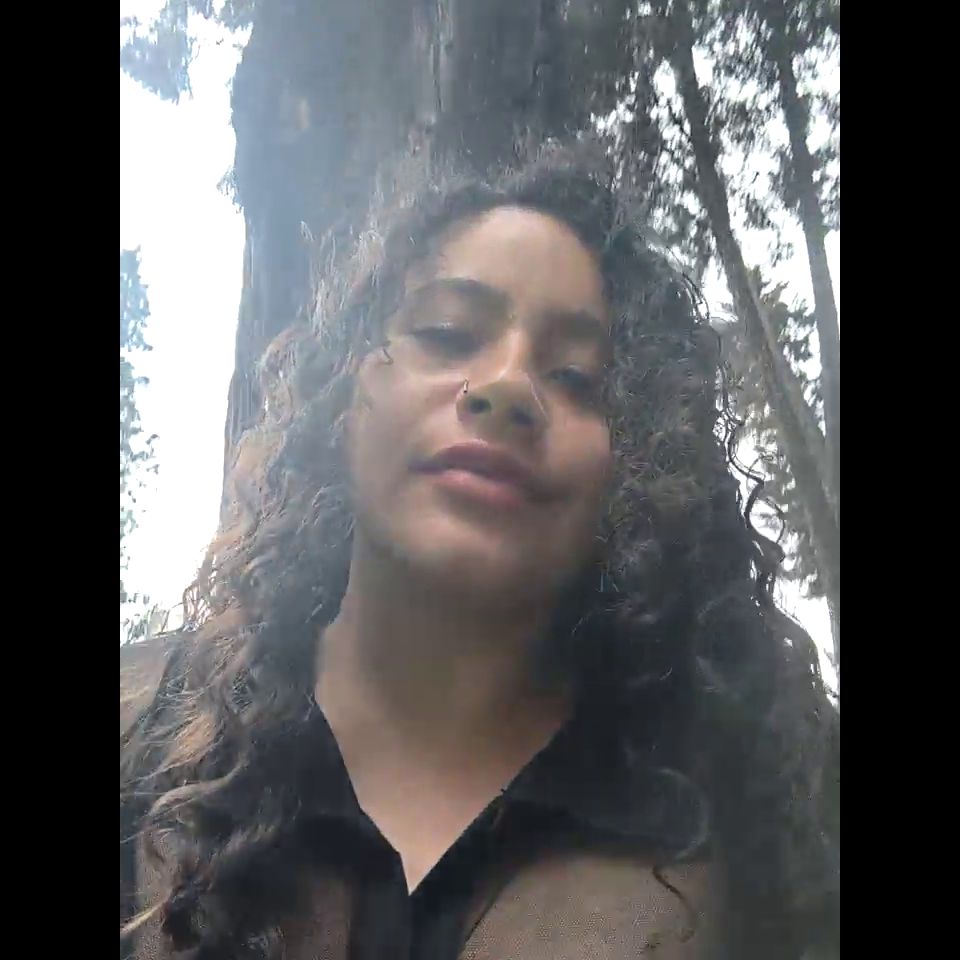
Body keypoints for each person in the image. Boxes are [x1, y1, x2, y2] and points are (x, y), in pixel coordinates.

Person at [120, 148, 839, 960]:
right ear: (342, 402)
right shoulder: (139, 732)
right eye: (447, 333)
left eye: (579, 379)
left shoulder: (772, 816)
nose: (507, 387)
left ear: (642, 464)